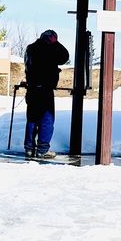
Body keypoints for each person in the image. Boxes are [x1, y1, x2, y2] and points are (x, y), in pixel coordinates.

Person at [23, 29, 70, 159]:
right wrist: (56, 43)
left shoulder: (30, 48)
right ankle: (42, 149)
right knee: (46, 119)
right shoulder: (51, 49)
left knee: (32, 119)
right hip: (45, 90)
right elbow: (65, 57)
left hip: (32, 89)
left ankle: (29, 148)